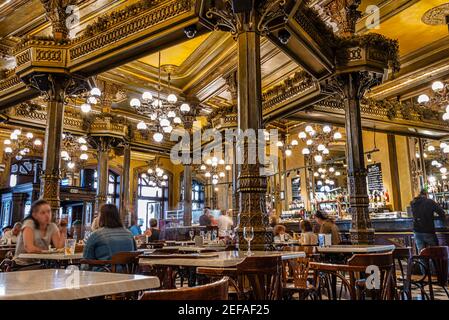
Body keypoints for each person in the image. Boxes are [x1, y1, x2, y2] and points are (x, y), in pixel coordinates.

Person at [13, 199, 67, 268]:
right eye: (43, 213)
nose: (47, 215)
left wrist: (63, 231)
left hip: (38, 264)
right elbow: (29, 248)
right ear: (35, 215)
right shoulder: (29, 224)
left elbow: (59, 247)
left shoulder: (52, 226)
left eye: (49, 211)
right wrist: (47, 252)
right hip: (20, 265)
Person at [411, 189, 447, 253]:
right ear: (426, 194)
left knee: (421, 253)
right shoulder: (430, 202)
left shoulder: (413, 202)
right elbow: (442, 213)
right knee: (435, 253)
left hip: (417, 232)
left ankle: (423, 263)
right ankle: (434, 263)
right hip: (428, 231)